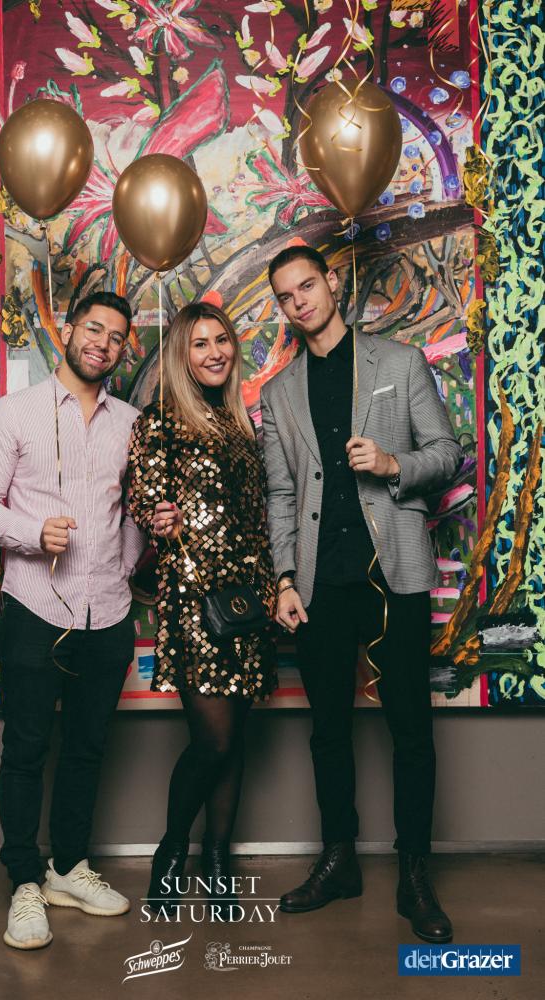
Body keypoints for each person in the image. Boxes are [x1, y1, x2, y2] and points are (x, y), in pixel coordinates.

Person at [261, 245, 463, 943]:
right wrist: (284, 578)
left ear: (331, 282)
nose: (299, 302)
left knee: (410, 727)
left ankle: (414, 873)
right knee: (327, 730)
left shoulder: (398, 363)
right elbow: (280, 494)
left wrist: (391, 462)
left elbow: (447, 453)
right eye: (286, 296)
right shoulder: (278, 393)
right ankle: (338, 860)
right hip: (320, 582)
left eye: (307, 286)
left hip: (394, 572)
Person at [0, 291, 145, 950]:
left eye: (116, 336)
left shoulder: (131, 423)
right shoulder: (13, 413)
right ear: (67, 331)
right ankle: (24, 881)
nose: (103, 343)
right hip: (36, 608)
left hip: (109, 611)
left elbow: (132, 510)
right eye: (93, 328)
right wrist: (33, 531)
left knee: (87, 749)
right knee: (25, 749)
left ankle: (68, 868)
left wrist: (127, 561)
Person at [128, 302, 277, 917]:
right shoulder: (160, 421)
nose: (214, 352)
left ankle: (217, 861)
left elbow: (259, 519)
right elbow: (142, 500)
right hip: (194, 599)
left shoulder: (241, 425)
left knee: (234, 738)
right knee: (212, 740)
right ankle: (171, 851)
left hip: (247, 600)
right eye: (199, 343)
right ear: (181, 356)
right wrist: (158, 518)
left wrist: (274, 589)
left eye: (222, 340)